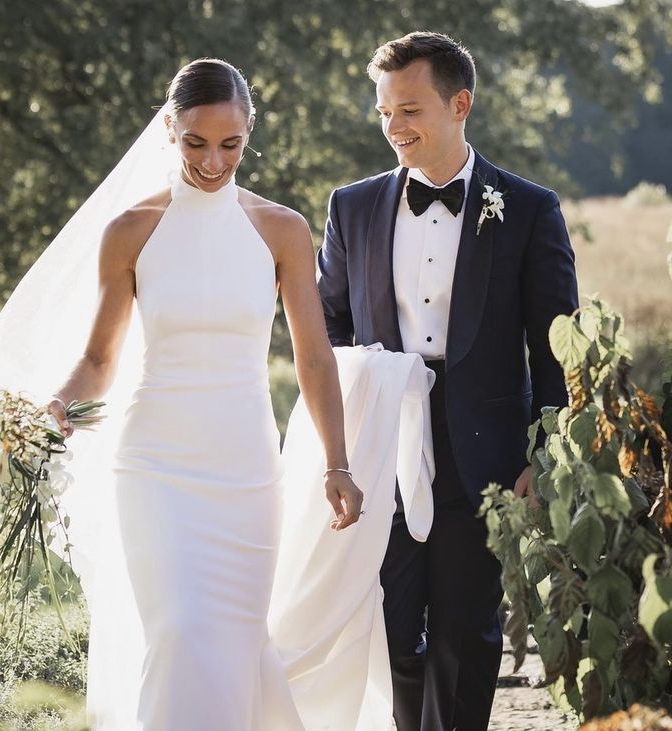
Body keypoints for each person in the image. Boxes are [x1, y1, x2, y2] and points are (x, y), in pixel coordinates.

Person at [0, 58, 364, 729]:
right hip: (154, 464)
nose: (213, 161)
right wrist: (50, 414)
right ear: (168, 129)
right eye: (195, 142)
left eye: (230, 144)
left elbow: (314, 358)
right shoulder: (130, 230)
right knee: (178, 632)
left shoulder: (281, 230)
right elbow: (98, 360)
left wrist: (337, 461)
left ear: (248, 134)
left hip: (244, 470)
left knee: (237, 645)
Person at [317, 31, 579, 731]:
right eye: (383, 113)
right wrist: (342, 431)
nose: (393, 128)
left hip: (485, 450)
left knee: (465, 634)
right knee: (389, 624)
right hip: (382, 442)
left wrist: (542, 452)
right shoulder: (351, 206)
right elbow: (325, 325)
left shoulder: (527, 209)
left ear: (459, 103)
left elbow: (555, 346)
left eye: (409, 110)